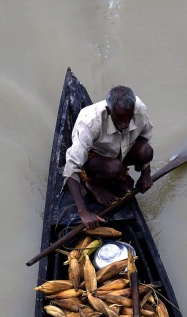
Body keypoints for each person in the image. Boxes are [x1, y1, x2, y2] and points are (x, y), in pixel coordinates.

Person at [63, 84, 154, 230]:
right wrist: (84, 212)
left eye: (129, 118)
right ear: (109, 111)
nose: (125, 124)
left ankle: (119, 176)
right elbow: (71, 167)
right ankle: (93, 184)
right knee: (115, 168)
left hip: (120, 152)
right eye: (120, 119)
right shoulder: (89, 122)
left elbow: (144, 138)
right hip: (94, 158)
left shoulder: (139, 109)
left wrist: (146, 174)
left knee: (146, 152)